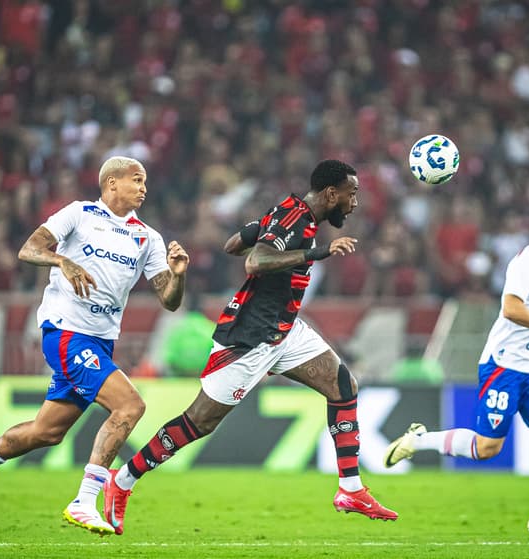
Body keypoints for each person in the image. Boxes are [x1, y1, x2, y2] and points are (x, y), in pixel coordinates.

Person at [102, 159, 398, 536]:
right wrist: (315, 253)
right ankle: (123, 480)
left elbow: (233, 245)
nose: (354, 203)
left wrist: (263, 227)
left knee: (343, 387)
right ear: (331, 194)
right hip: (249, 338)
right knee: (198, 422)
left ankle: (351, 489)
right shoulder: (295, 220)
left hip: (285, 330)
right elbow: (255, 262)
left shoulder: (289, 213)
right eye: (351, 194)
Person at [0, 156, 190, 536]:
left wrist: (177, 276)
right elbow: (29, 249)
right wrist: (62, 261)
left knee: (46, 432)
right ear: (111, 184)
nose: (144, 188)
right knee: (130, 405)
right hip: (65, 332)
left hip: (100, 341)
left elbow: (169, 300)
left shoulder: (147, 238)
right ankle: (84, 501)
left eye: (145, 182)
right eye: (136, 180)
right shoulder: (79, 214)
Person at [383, 201, 529, 539]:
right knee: (486, 448)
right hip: (503, 364)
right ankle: (419, 440)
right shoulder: (527, 261)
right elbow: (510, 309)